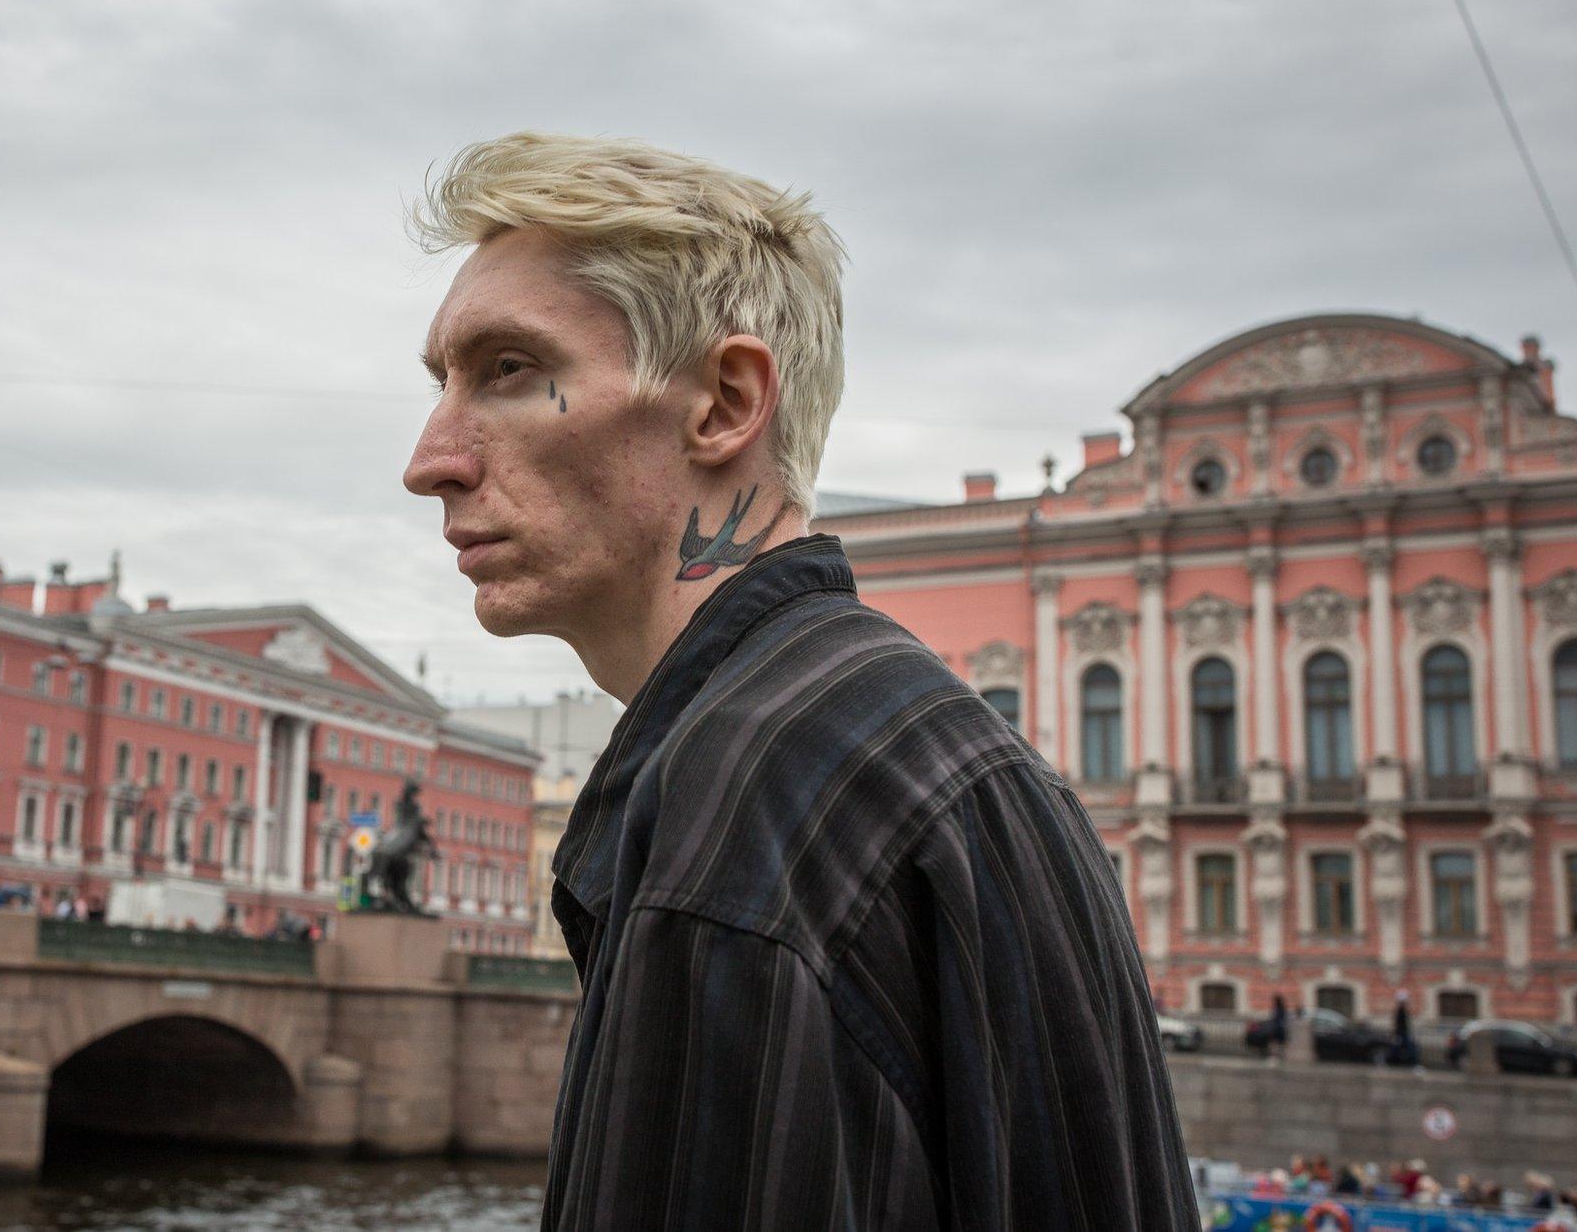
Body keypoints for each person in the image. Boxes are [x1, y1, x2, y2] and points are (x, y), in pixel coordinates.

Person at [403, 132, 1198, 1229]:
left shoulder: (738, 803)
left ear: (727, 403)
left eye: (506, 370)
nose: (428, 457)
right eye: (441, 382)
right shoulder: (936, 740)